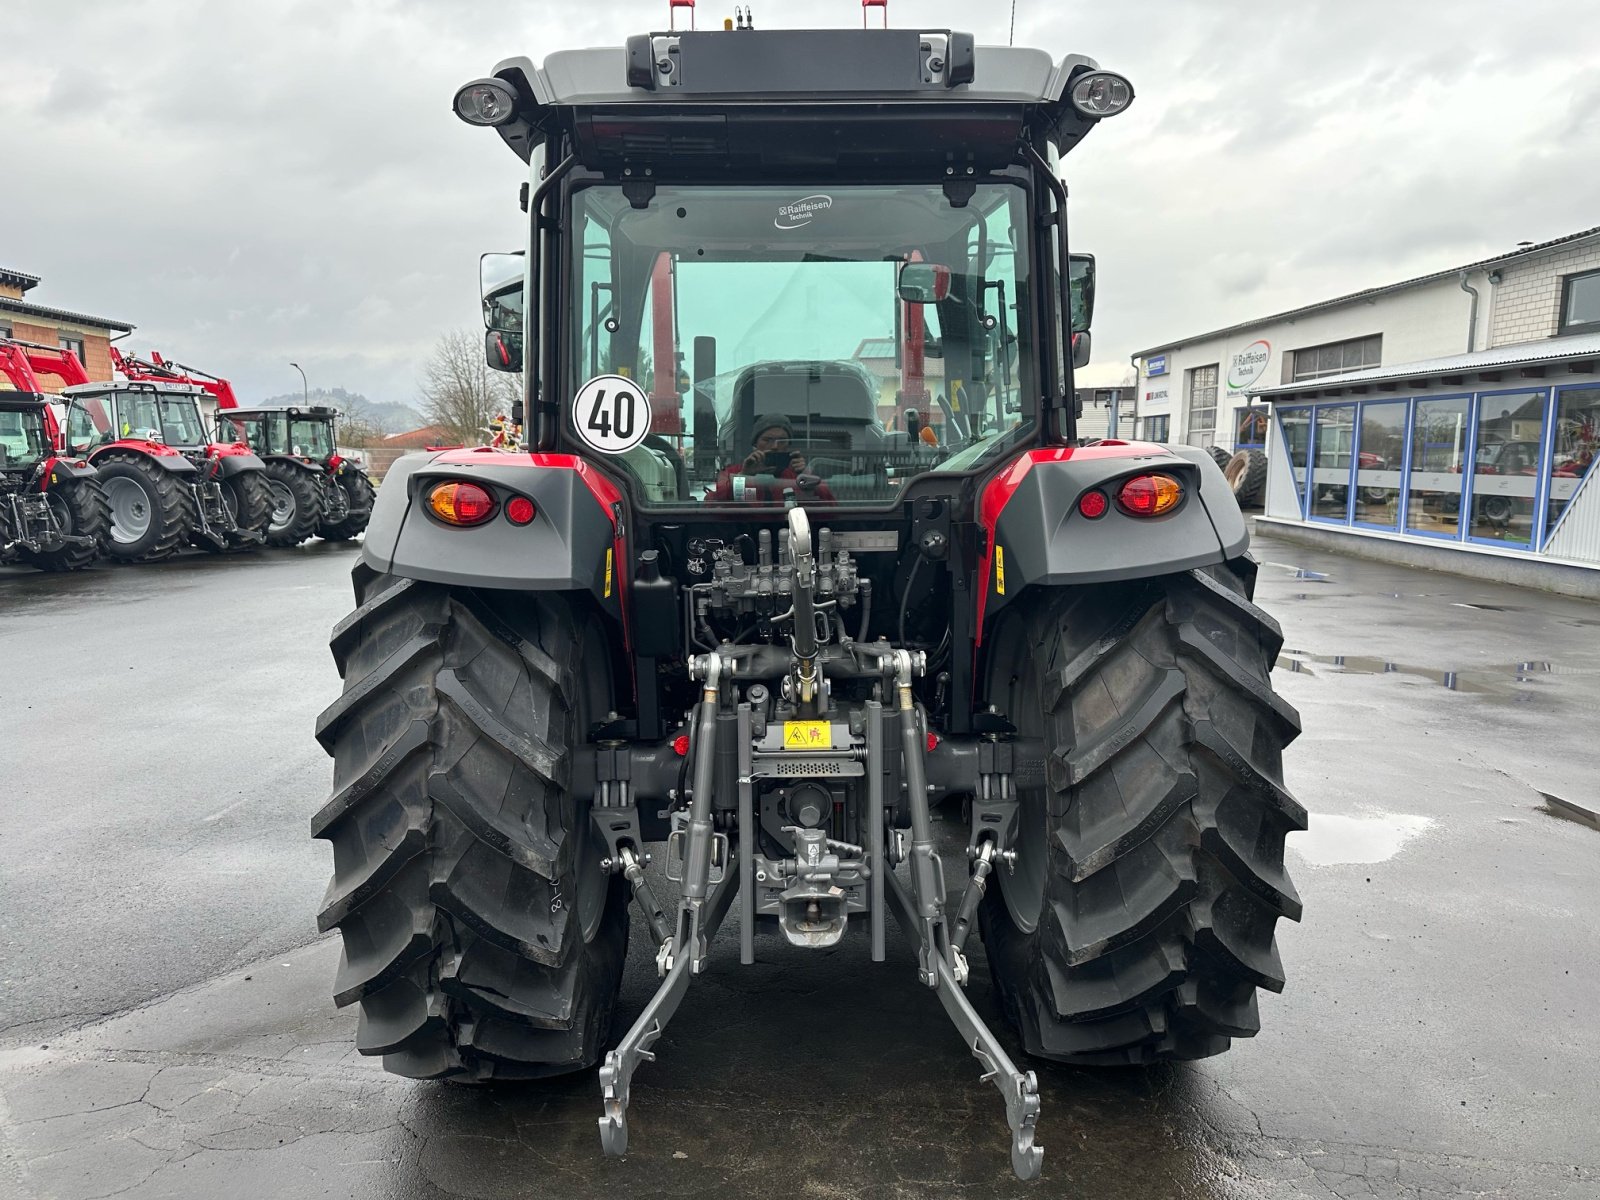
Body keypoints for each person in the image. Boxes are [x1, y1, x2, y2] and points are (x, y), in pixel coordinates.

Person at [707, 413, 834, 503]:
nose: (774, 446)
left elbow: (830, 509)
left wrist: (806, 477)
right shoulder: (732, 473)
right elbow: (713, 505)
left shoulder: (797, 476)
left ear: (788, 445)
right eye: (767, 440)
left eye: (782, 441)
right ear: (755, 443)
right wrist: (744, 476)